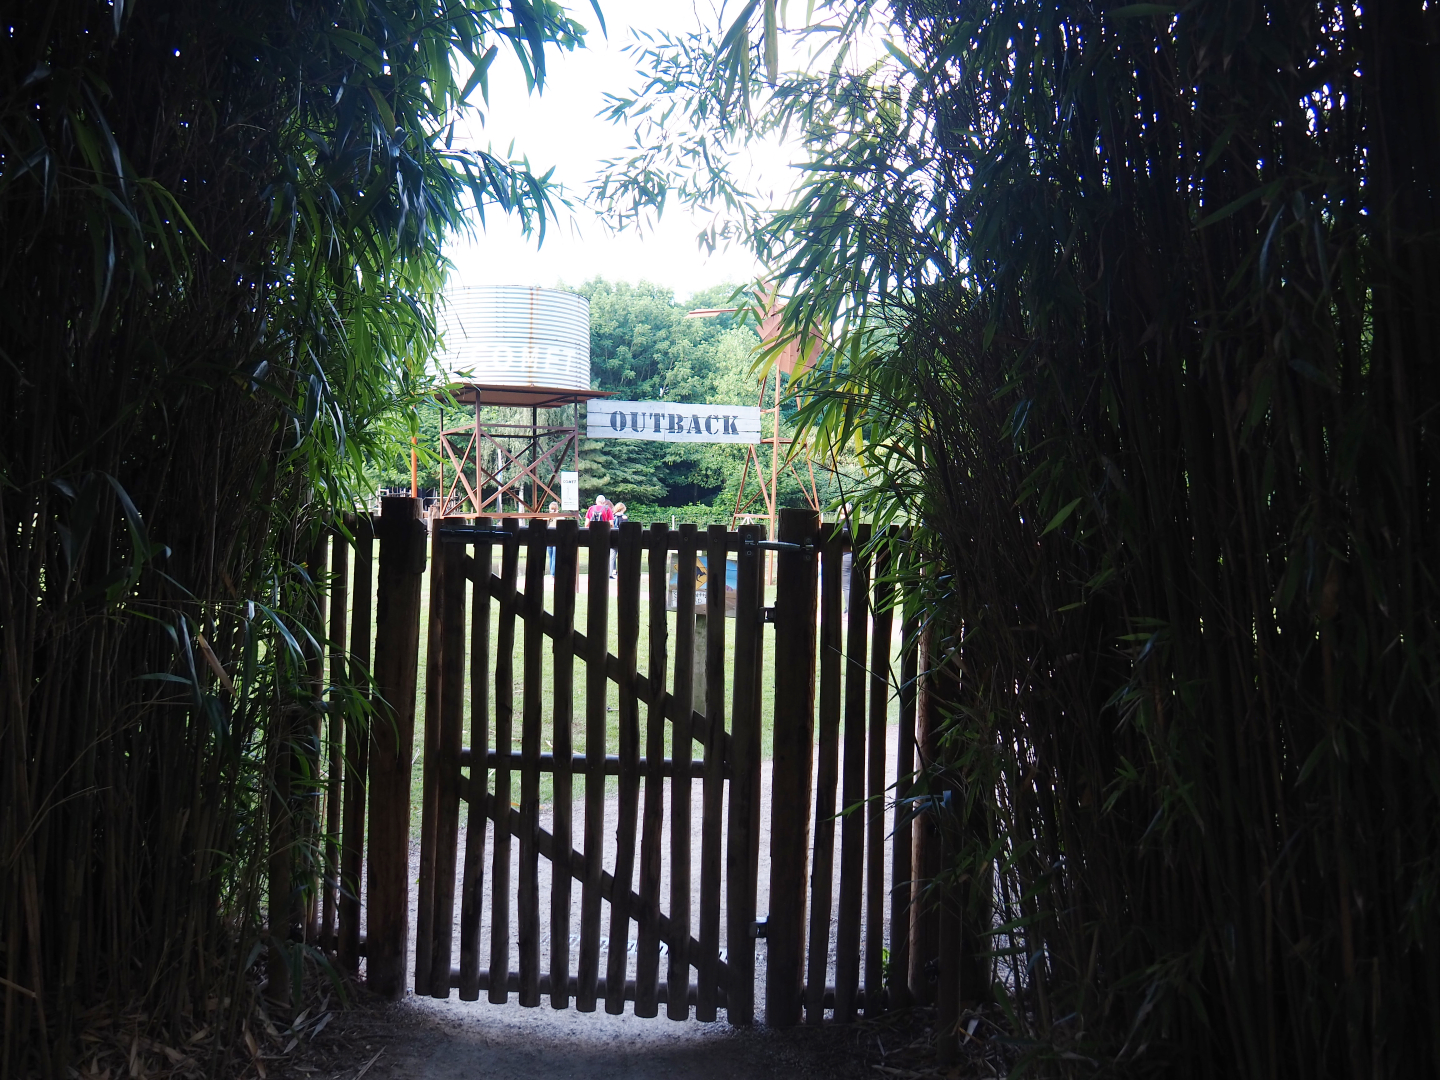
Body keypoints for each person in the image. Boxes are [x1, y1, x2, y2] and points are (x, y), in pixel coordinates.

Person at [610, 502, 627, 577]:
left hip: (612, 537)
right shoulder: (624, 518)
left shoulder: (612, 517)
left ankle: (611, 572)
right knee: (622, 556)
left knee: (612, 557)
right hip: (621, 538)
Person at [546, 501, 560, 577]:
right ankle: (553, 574)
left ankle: (552, 573)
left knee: (551, 557)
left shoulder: (548, 518)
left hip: (548, 539)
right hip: (556, 538)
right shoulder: (560, 517)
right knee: (554, 557)